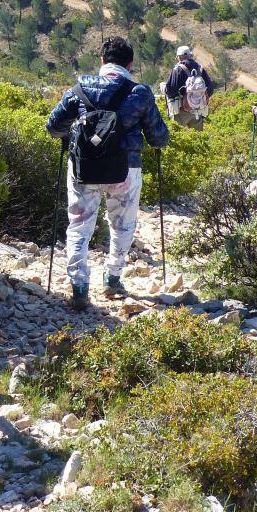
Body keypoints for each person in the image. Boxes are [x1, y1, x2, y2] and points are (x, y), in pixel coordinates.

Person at [46, 36, 170, 311]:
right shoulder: (139, 92)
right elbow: (159, 138)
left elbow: (53, 126)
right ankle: (112, 277)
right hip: (125, 169)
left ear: (102, 61)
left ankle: (79, 286)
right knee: (122, 225)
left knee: (79, 225)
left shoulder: (79, 88)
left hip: (83, 169)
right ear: (131, 63)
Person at [164, 45, 215, 130]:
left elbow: (170, 91)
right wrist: (197, 99)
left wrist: (163, 87)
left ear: (179, 57)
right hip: (199, 111)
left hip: (181, 110)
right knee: (198, 138)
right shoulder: (200, 69)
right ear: (190, 55)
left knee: (179, 136)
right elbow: (210, 89)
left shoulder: (178, 69)